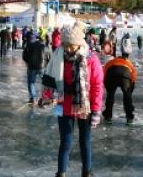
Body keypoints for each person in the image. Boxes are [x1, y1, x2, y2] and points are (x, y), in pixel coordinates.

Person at [43, 21, 103, 177]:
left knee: (85, 142)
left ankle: (86, 172)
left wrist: (96, 110)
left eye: (71, 45)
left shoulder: (91, 60)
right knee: (66, 142)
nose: (68, 48)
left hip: (85, 106)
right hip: (64, 106)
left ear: (79, 44)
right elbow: (50, 78)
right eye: (65, 44)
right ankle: (61, 173)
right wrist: (46, 97)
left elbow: (96, 86)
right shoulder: (58, 58)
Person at [102, 57, 137, 124]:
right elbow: (134, 76)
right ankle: (129, 116)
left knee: (110, 95)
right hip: (125, 75)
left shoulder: (110, 62)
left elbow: (104, 73)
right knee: (127, 94)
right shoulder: (128, 62)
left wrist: (108, 89)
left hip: (111, 74)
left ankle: (108, 115)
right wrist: (130, 92)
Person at [22, 33, 48, 104]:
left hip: (31, 67)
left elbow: (24, 56)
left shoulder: (28, 45)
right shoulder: (43, 46)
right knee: (45, 83)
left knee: (31, 82)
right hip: (42, 67)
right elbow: (49, 56)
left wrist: (28, 62)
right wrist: (46, 64)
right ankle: (44, 98)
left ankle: (33, 98)